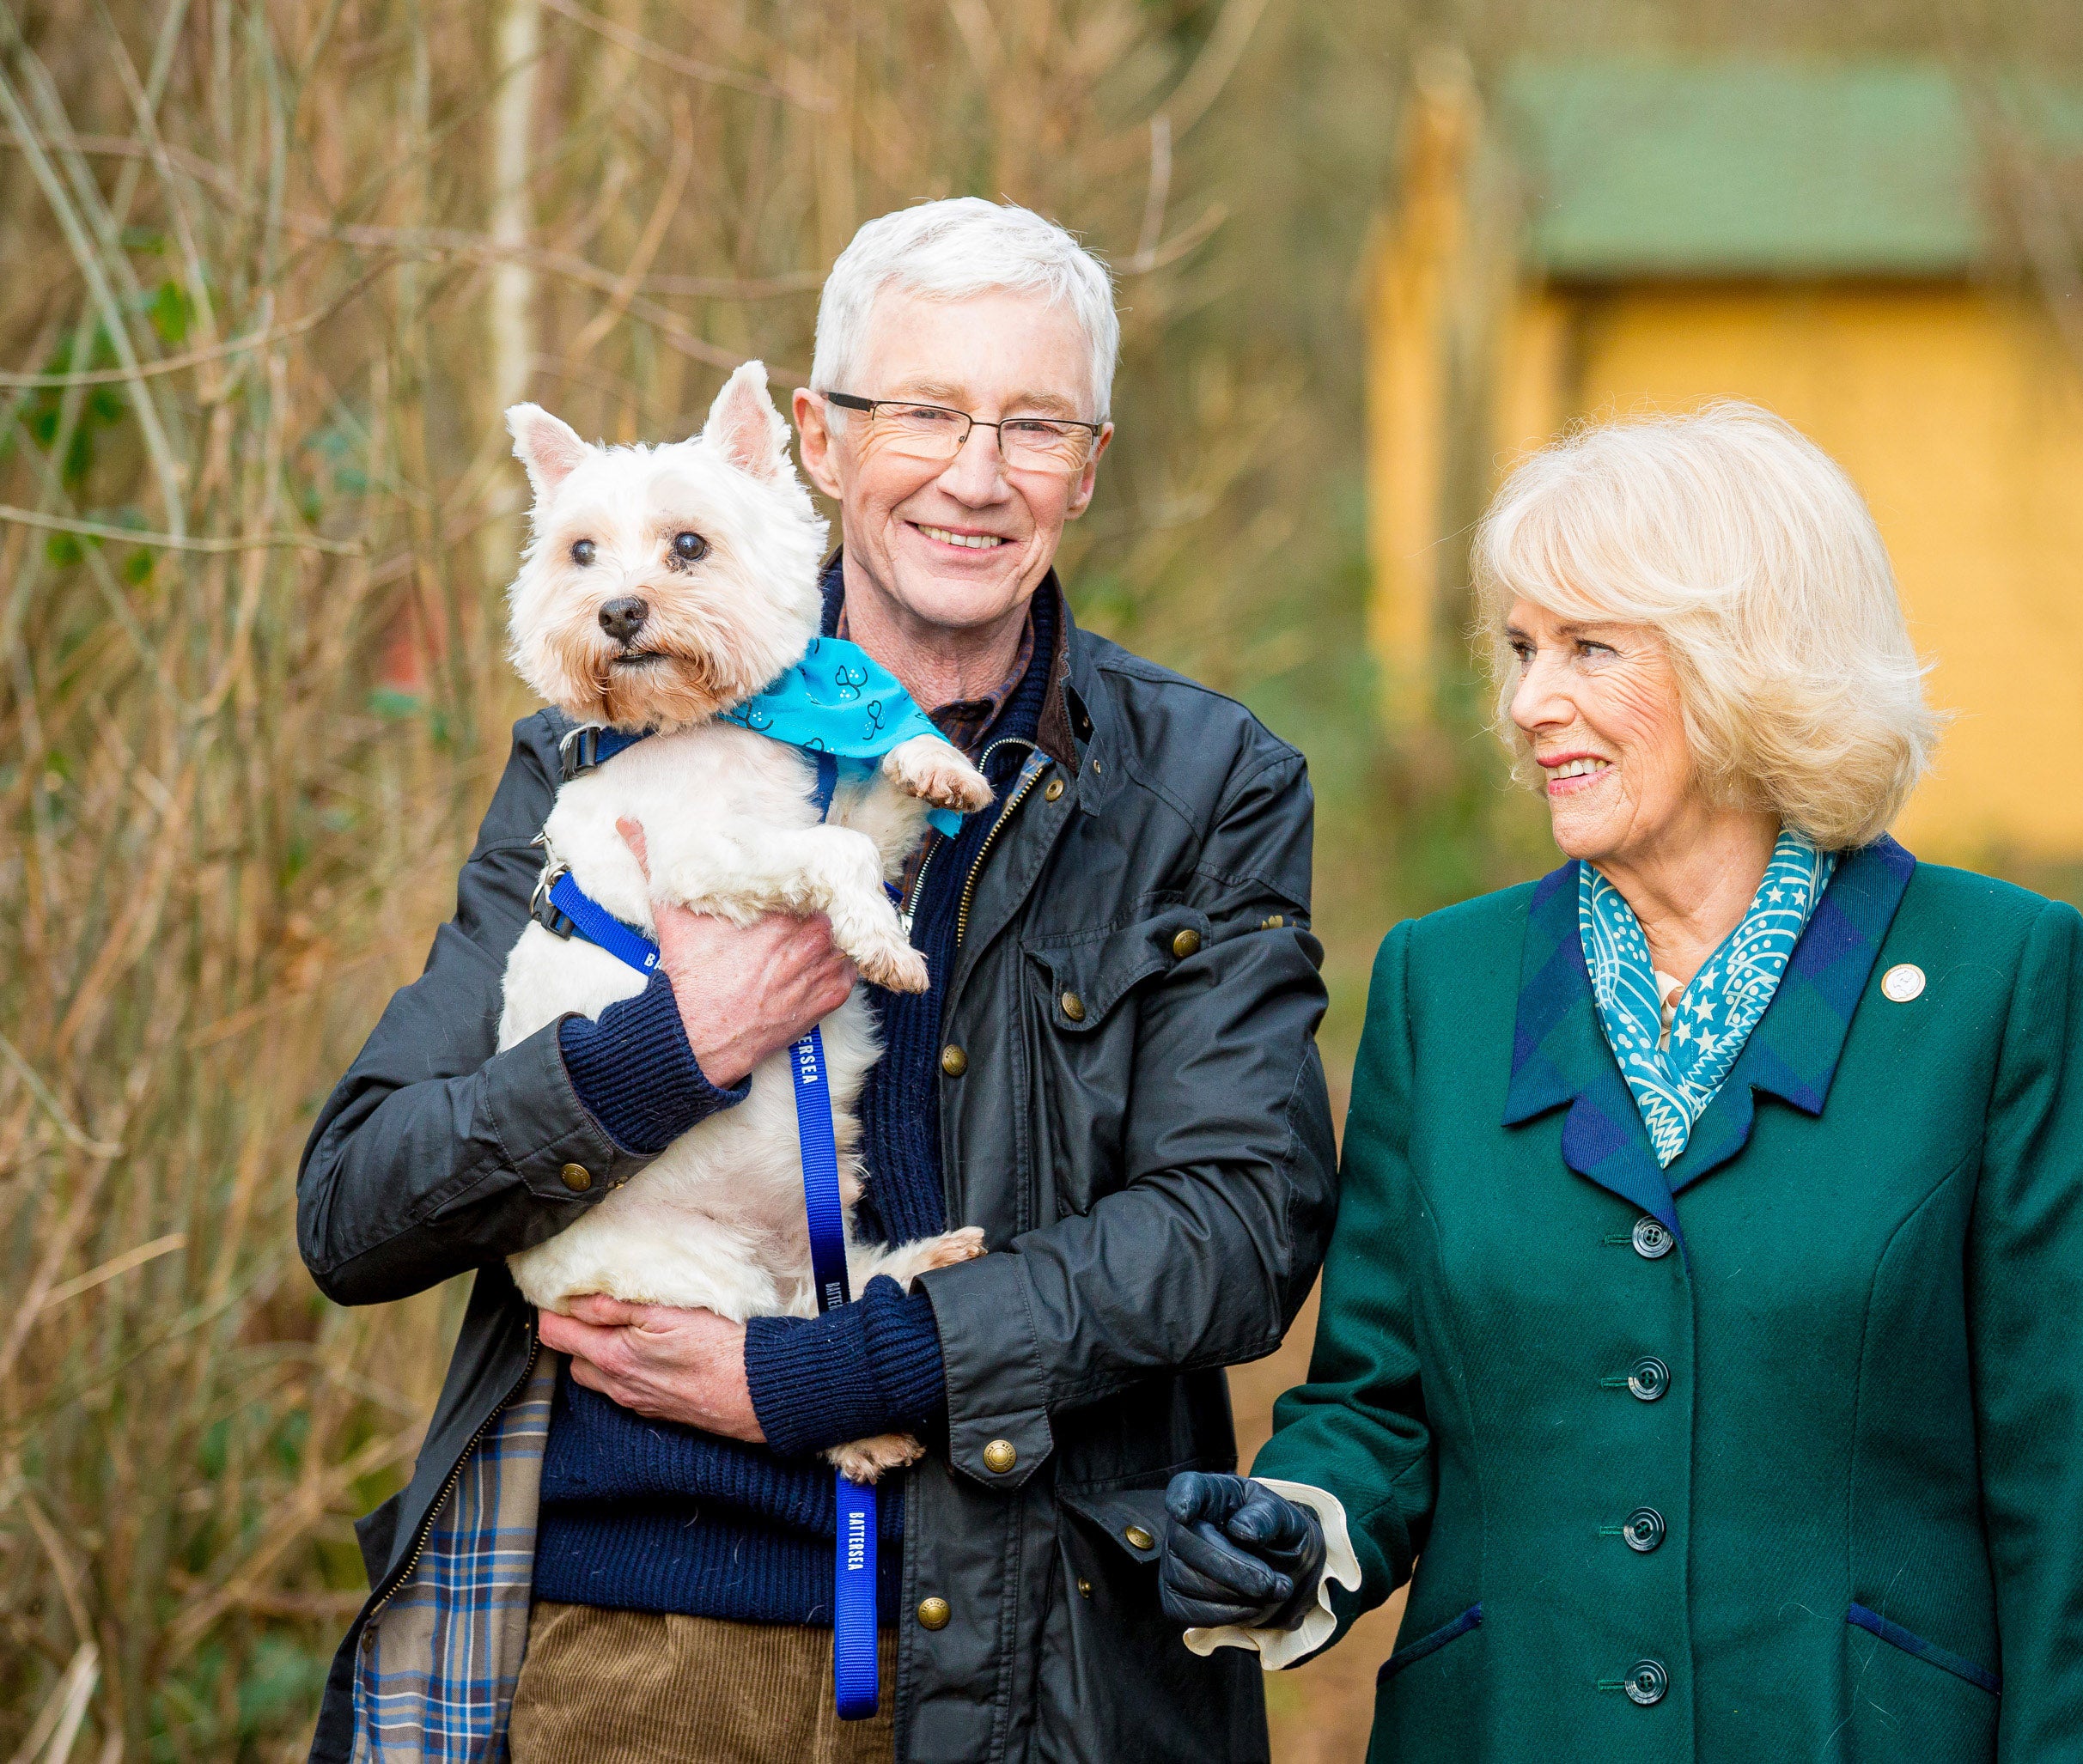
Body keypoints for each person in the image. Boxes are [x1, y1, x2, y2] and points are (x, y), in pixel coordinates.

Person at [297, 198, 1334, 1764]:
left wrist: (824, 1372)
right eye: (923, 410)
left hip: (1042, 1663)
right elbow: (360, 1204)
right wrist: (673, 1046)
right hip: (645, 1647)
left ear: (1090, 466)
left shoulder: (1202, 786)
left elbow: (1239, 1227)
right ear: (817, 442)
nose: (975, 475)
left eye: (1034, 424)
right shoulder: (600, 748)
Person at [1160, 405, 2083, 1761]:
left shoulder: (1996, 975)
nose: (1527, 701)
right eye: (1519, 649)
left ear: (1752, 662)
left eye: (1588, 648)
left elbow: (2062, 1487)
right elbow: (1379, 1400)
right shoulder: (1446, 984)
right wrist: (1302, 1527)